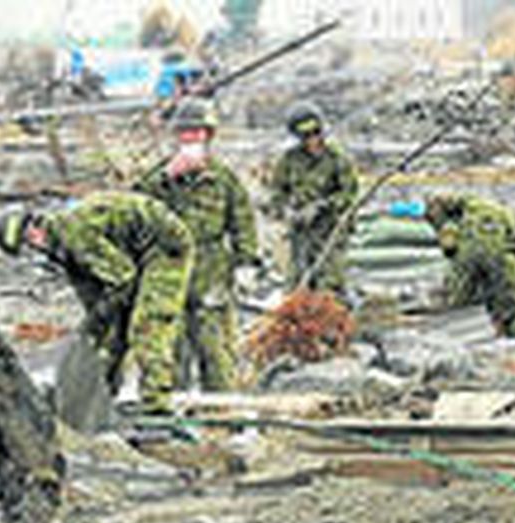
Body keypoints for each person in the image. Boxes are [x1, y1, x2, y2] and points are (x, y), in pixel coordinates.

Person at [0, 193, 193, 413]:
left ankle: (157, 403)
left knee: (146, 325)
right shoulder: (63, 251)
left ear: (33, 232)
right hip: (131, 256)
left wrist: (98, 318)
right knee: (111, 333)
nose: (33, 253)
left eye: (28, 246)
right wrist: (91, 333)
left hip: (164, 246)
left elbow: (123, 280)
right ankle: (105, 395)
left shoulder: (74, 235)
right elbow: (95, 298)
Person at [136, 98, 259, 391]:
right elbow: (135, 211)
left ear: (209, 136)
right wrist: (168, 177)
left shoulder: (222, 179)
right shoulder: (158, 177)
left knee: (216, 351)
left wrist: (247, 263)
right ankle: (173, 419)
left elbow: (242, 222)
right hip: (169, 273)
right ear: (176, 136)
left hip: (212, 272)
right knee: (170, 353)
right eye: (186, 132)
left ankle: (223, 419)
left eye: (198, 132)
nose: (192, 138)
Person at [425, 194, 515, 338]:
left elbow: (448, 246)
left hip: (469, 254)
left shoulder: (463, 211)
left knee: (456, 298)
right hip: (500, 255)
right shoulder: (504, 213)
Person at [269, 103, 358, 295]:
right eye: (306, 136)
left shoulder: (337, 159)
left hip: (329, 231)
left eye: (315, 133)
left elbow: (349, 194)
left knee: (329, 283)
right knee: (296, 283)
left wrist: (322, 207)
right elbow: (277, 192)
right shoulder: (289, 160)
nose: (312, 140)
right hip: (301, 232)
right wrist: (287, 211)